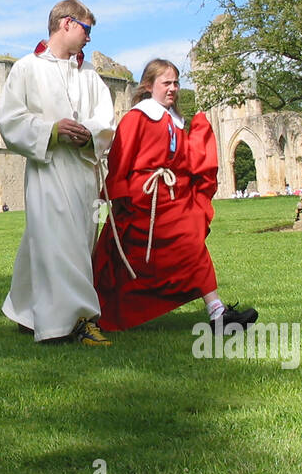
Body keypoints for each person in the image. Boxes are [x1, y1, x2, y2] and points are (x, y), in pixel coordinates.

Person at [92, 60, 257, 333]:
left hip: (176, 198)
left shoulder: (176, 121)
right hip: (145, 199)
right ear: (148, 86)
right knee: (130, 261)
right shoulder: (137, 117)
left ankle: (216, 311)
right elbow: (121, 159)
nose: (173, 89)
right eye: (166, 83)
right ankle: (102, 311)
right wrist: (120, 199)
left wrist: (200, 135)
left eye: (176, 83)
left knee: (192, 246)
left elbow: (183, 161)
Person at [0, 0, 115, 346]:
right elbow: (10, 119)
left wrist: (86, 134)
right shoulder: (26, 69)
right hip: (46, 170)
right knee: (59, 242)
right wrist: (52, 130)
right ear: (66, 23)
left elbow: (106, 121)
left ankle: (27, 312)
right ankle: (74, 322)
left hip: (81, 171)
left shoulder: (90, 74)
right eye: (86, 29)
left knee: (65, 240)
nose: (89, 38)